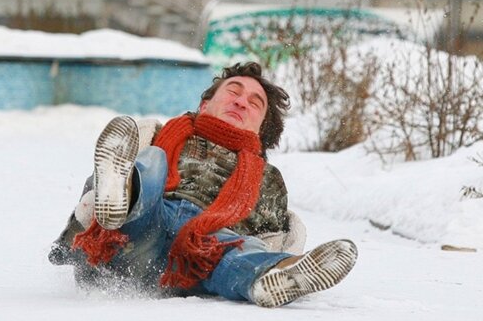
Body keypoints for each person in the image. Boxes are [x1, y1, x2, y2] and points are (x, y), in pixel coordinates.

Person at [49, 62, 357, 307]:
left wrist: (284, 253)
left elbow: (268, 235)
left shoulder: (267, 177)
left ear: (263, 127)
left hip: (197, 260)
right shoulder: (156, 134)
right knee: (151, 161)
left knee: (238, 248)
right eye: (233, 91)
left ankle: (269, 276)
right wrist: (84, 220)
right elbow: (95, 185)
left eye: (255, 103)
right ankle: (122, 204)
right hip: (136, 238)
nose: (241, 101)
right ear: (205, 103)